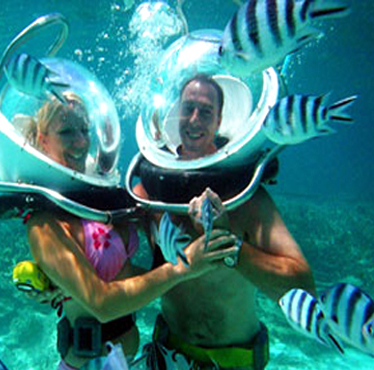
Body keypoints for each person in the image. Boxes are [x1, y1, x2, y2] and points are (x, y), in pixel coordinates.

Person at [20, 92, 241, 370]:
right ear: (43, 139)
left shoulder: (96, 200)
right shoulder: (44, 223)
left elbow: (123, 275)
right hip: (86, 365)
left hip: (121, 360)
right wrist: (183, 268)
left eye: (84, 130)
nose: (80, 141)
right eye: (66, 132)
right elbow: (103, 303)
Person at [137, 75, 316, 370]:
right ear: (176, 113)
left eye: (205, 111)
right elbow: (111, 256)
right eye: (188, 108)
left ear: (219, 120)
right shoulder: (150, 196)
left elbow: (303, 286)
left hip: (234, 360)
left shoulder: (245, 199)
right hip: (168, 353)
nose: (194, 119)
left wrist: (228, 246)